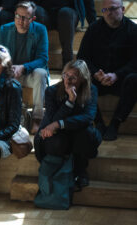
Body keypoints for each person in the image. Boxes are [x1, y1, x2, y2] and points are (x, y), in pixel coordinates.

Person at [36, 60, 100, 192]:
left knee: (87, 134)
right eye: (66, 75)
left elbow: (88, 117)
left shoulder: (91, 90)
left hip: (75, 132)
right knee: (58, 142)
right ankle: (61, 174)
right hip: (56, 135)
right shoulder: (51, 91)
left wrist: (60, 123)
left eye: (73, 77)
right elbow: (52, 120)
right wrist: (70, 102)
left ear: (82, 79)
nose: (68, 80)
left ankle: (80, 171)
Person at [77, 0, 137, 141]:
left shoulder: (133, 30)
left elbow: (136, 61)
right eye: (105, 10)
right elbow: (82, 58)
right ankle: (98, 123)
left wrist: (117, 75)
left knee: (135, 80)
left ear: (123, 9)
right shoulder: (93, 29)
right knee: (79, 79)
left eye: (113, 9)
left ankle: (115, 124)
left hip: (122, 80)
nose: (109, 13)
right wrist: (95, 73)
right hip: (99, 79)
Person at [0, 2, 49, 132]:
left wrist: (23, 67)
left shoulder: (40, 30)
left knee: (41, 73)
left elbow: (43, 59)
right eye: (18, 16)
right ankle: (5, 118)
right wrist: (10, 69)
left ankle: (37, 119)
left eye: (25, 18)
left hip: (30, 73)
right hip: (11, 73)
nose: (20, 20)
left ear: (32, 19)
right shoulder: (4, 29)